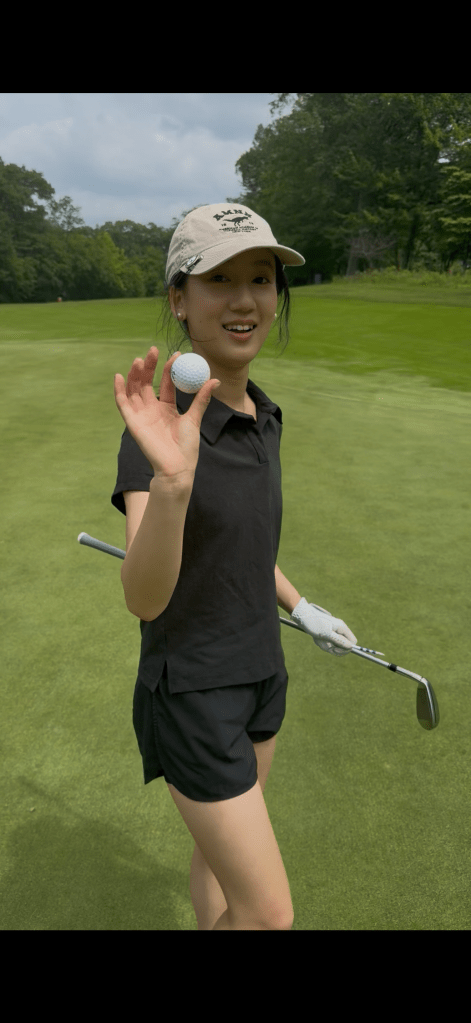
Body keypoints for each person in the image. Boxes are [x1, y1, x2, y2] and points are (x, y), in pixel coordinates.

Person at [111, 203, 357, 930]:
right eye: (219, 278)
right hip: (192, 690)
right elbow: (144, 597)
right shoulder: (157, 437)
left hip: (260, 671)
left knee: (216, 870)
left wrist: (300, 605)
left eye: (261, 277)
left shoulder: (262, 414)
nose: (246, 298)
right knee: (267, 914)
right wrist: (174, 486)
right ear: (179, 301)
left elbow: (245, 548)